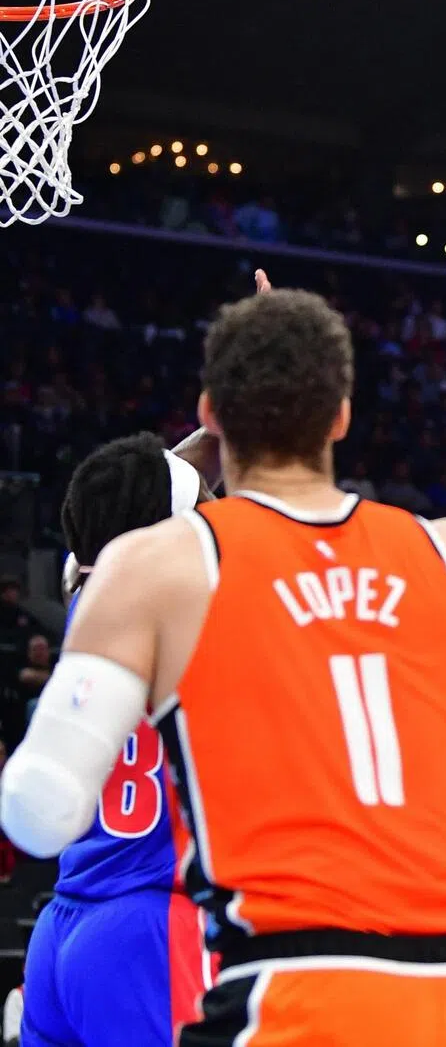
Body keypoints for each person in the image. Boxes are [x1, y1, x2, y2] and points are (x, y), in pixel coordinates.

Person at [0, 288, 446, 1046]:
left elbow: (39, 813)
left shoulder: (163, 568)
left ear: (212, 413)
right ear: (342, 417)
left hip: (293, 981)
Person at [18, 419, 223, 1047]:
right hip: (150, 924)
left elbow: (154, 480)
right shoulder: (200, 602)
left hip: (63, 926)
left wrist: (225, 416)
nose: (216, 515)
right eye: (204, 508)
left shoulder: (88, 591)